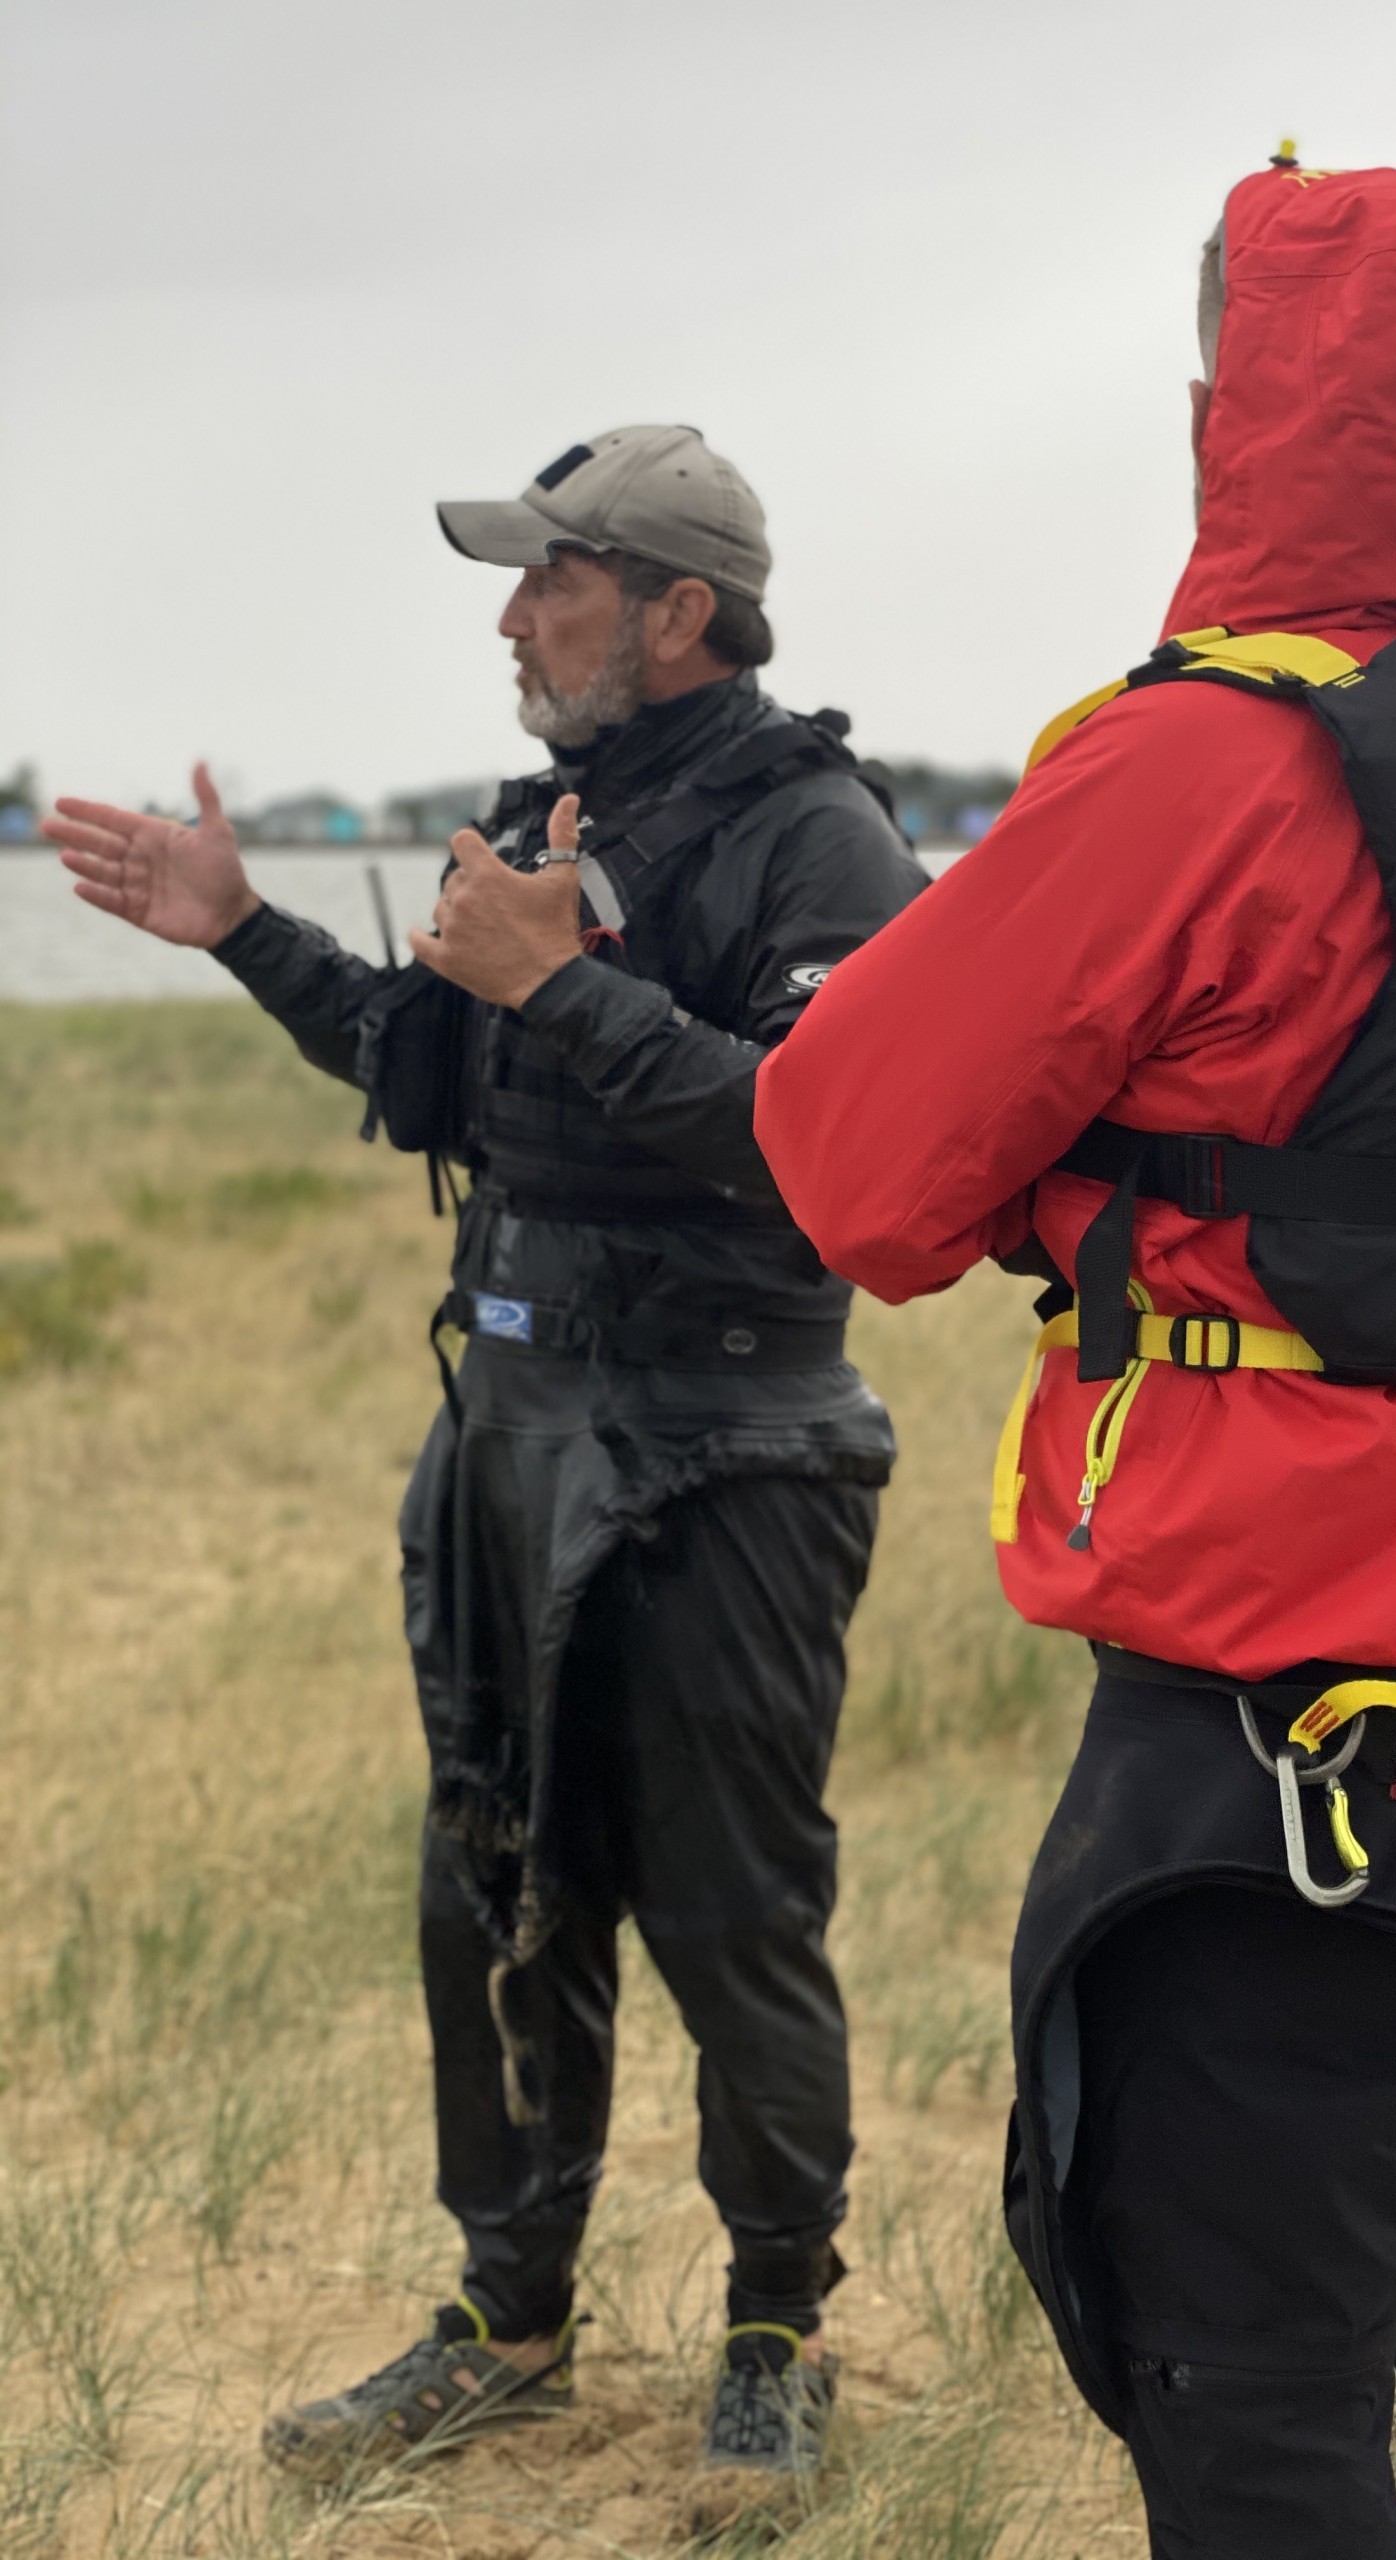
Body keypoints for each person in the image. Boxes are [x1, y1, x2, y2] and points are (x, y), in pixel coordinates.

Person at [754, 161, 1396, 2557]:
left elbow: (851, 1169)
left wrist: (1067, 1175)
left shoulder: (1196, 763)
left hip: (1274, 1753)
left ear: (1265, 395)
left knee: (1252, 2384)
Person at [47, 425, 926, 2478]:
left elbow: (843, 1150)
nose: (512, 615)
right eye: (517, 581)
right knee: (493, 1875)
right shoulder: (542, 815)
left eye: (551, 579)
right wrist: (246, 929)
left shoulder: (821, 838)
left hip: (731, 1440)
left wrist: (571, 983)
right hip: (511, 1425)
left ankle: (776, 2330)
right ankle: (506, 2313)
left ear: (678, 608)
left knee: (731, 1905)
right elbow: (430, 1072)